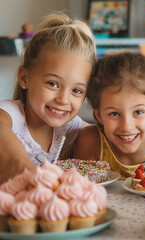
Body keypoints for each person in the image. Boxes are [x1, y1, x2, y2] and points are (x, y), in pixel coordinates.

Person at [0, 13, 96, 180]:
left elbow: (102, 137)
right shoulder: (12, 114)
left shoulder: (68, 126)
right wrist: (26, 168)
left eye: (77, 91)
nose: (64, 100)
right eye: (53, 84)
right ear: (25, 78)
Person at [73, 52, 145, 179]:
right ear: (99, 115)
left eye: (138, 112)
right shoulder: (91, 143)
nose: (127, 126)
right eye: (114, 114)